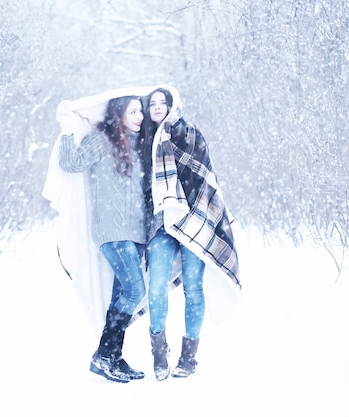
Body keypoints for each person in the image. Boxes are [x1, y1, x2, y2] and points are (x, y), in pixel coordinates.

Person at [141, 87, 241, 380]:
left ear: (173, 105)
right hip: (160, 224)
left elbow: (203, 176)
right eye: (153, 104)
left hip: (192, 220)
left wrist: (185, 205)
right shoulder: (146, 138)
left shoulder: (189, 133)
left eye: (163, 103)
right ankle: (159, 354)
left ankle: (188, 357)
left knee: (193, 289)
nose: (158, 107)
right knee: (156, 288)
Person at [57, 96, 148, 383]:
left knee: (121, 295)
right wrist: (68, 127)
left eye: (141, 110)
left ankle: (114, 358)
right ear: (119, 113)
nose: (140, 116)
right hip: (113, 230)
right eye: (133, 111)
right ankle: (103, 355)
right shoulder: (100, 141)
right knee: (134, 291)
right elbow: (71, 163)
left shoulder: (140, 144)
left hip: (136, 233)